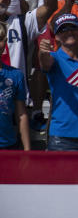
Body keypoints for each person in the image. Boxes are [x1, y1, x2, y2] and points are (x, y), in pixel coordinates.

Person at [38, 13, 78, 151]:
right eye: (63, 29)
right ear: (56, 36)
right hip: (63, 138)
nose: (69, 32)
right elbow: (45, 63)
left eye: (73, 28)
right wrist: (42, 52)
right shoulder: (54, 58)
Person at [0, 21, 30, 150]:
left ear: (5, 42)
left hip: (8, 144)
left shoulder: (15, 75)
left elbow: (21, 114)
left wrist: (27, 151)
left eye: (0, 39)